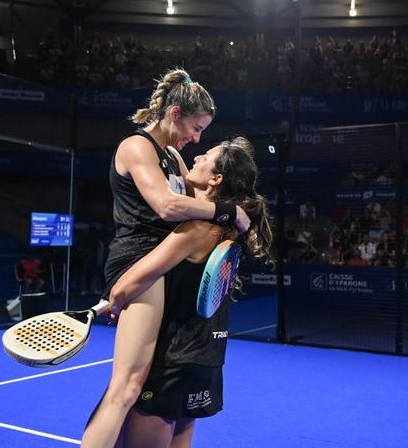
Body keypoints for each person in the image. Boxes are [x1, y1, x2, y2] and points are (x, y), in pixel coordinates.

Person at [81, 70, 248, 448]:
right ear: (174, 113)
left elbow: (201, 195)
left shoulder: (173, 156)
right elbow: (168, 205)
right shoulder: (136, 148)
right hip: (138, 259)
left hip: (161, 261)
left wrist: (233, 210)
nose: (197, 138)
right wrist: (229, 211)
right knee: (127, 387)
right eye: (195, 127)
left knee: (148, 389)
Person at [100, 137, 272, 447]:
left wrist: (117, 300)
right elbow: (181, 167)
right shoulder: (230, 228)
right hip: (206, 359)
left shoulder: (196, 229)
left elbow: (128, 283)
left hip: (172, 360)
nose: (196, 159)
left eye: (205, 158)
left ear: (216, 179)